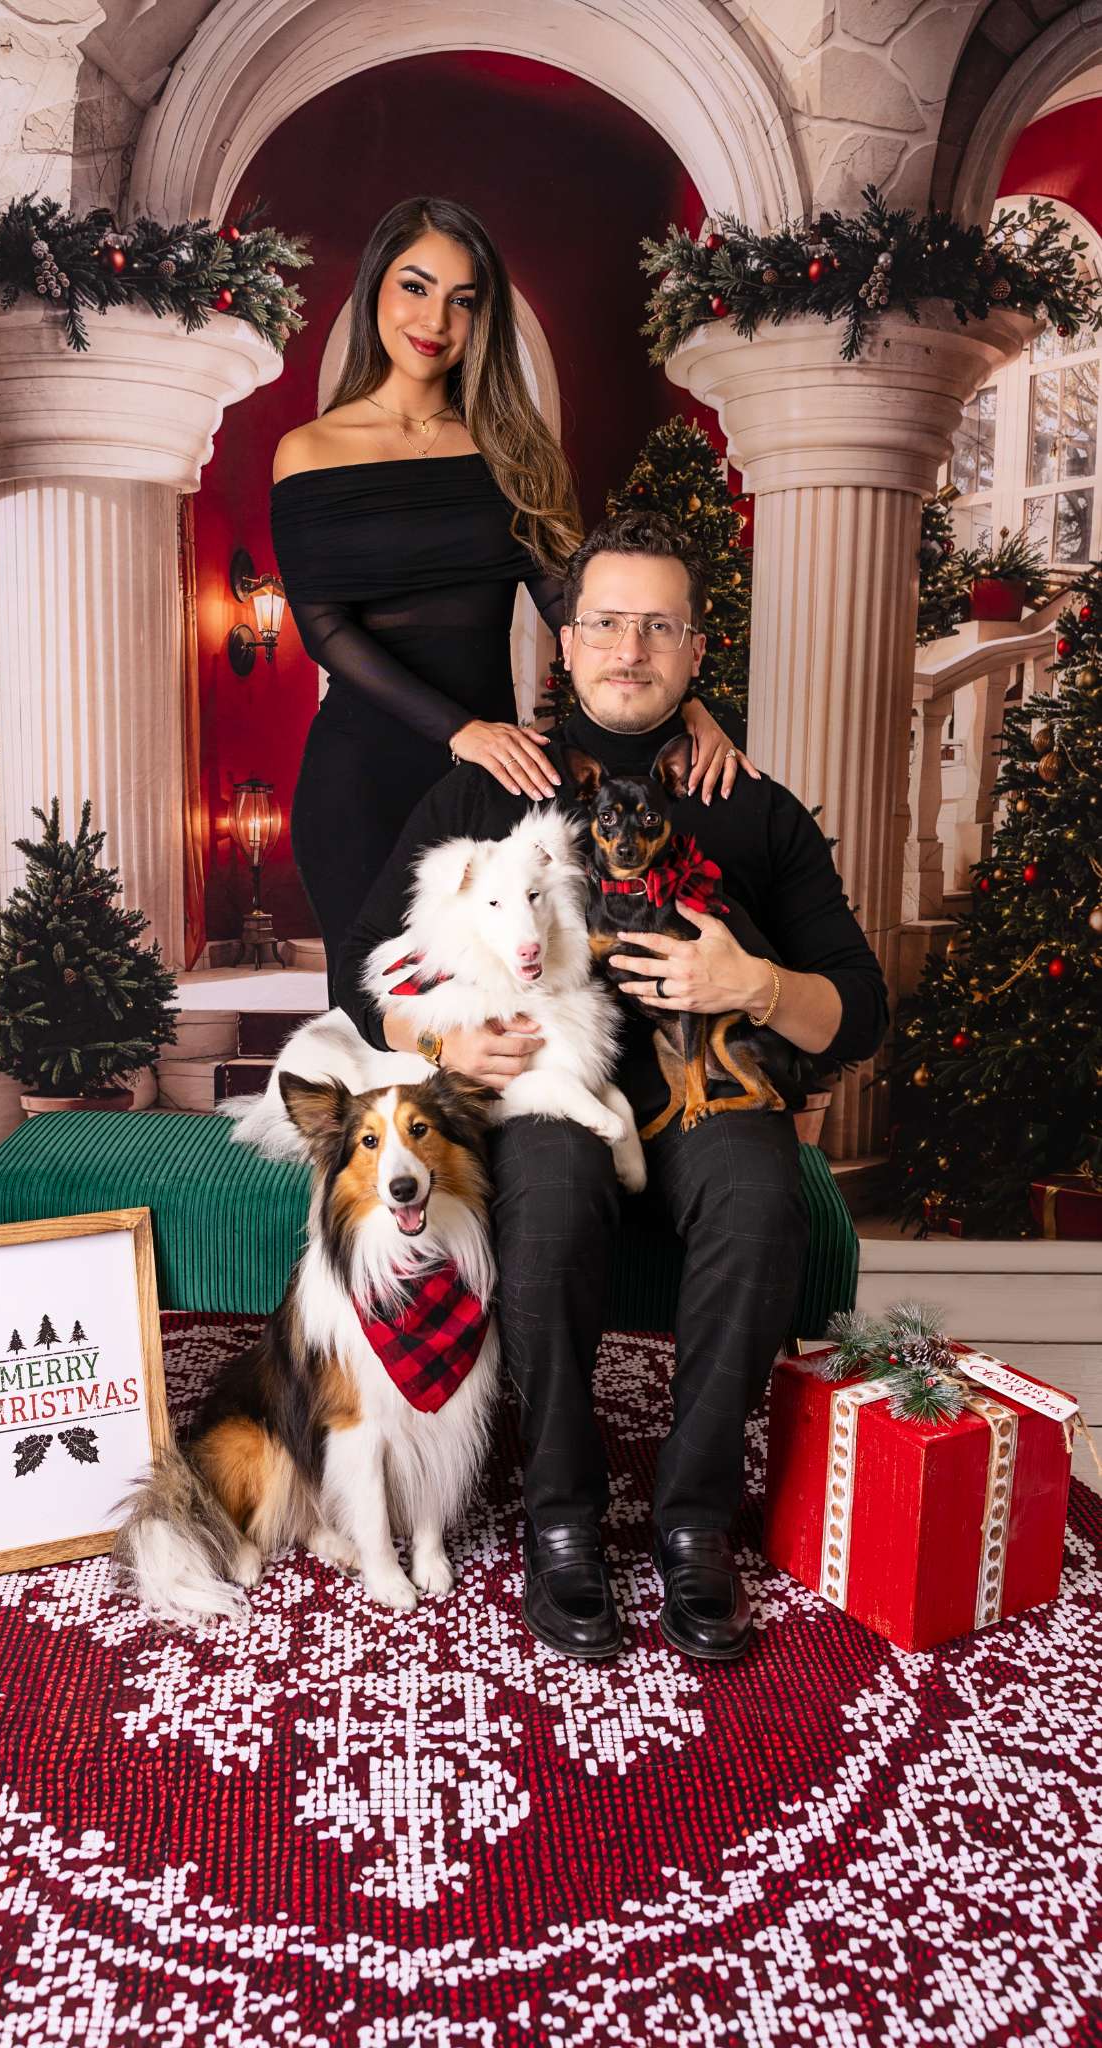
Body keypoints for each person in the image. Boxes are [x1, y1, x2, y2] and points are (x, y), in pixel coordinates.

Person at [333, 511, 889, 1665]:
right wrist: (435, 1045)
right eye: (606, 623)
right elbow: (358, 963)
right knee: (543, 1181)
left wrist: (759, 980)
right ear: (566, 648)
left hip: (709, 1094)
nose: (629, 648)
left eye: (658, 627)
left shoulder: (752, 806)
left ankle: (692, 1521)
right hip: (547, 1093)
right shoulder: (493, 788)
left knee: (759, 1194)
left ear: (695, 654)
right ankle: (563, 1518)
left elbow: (859, 1003)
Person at [271, 195, 745, 997]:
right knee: (382, 1006)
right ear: (374, 291)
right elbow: (323, 629)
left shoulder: (512, 449)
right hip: (359, 773)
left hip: (499, 778)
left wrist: (680, 700)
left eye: (463, 300)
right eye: (414, 287)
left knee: (502, 1004)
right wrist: (460, 730)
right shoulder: (307, 450)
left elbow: (575, 607)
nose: (435, 320)